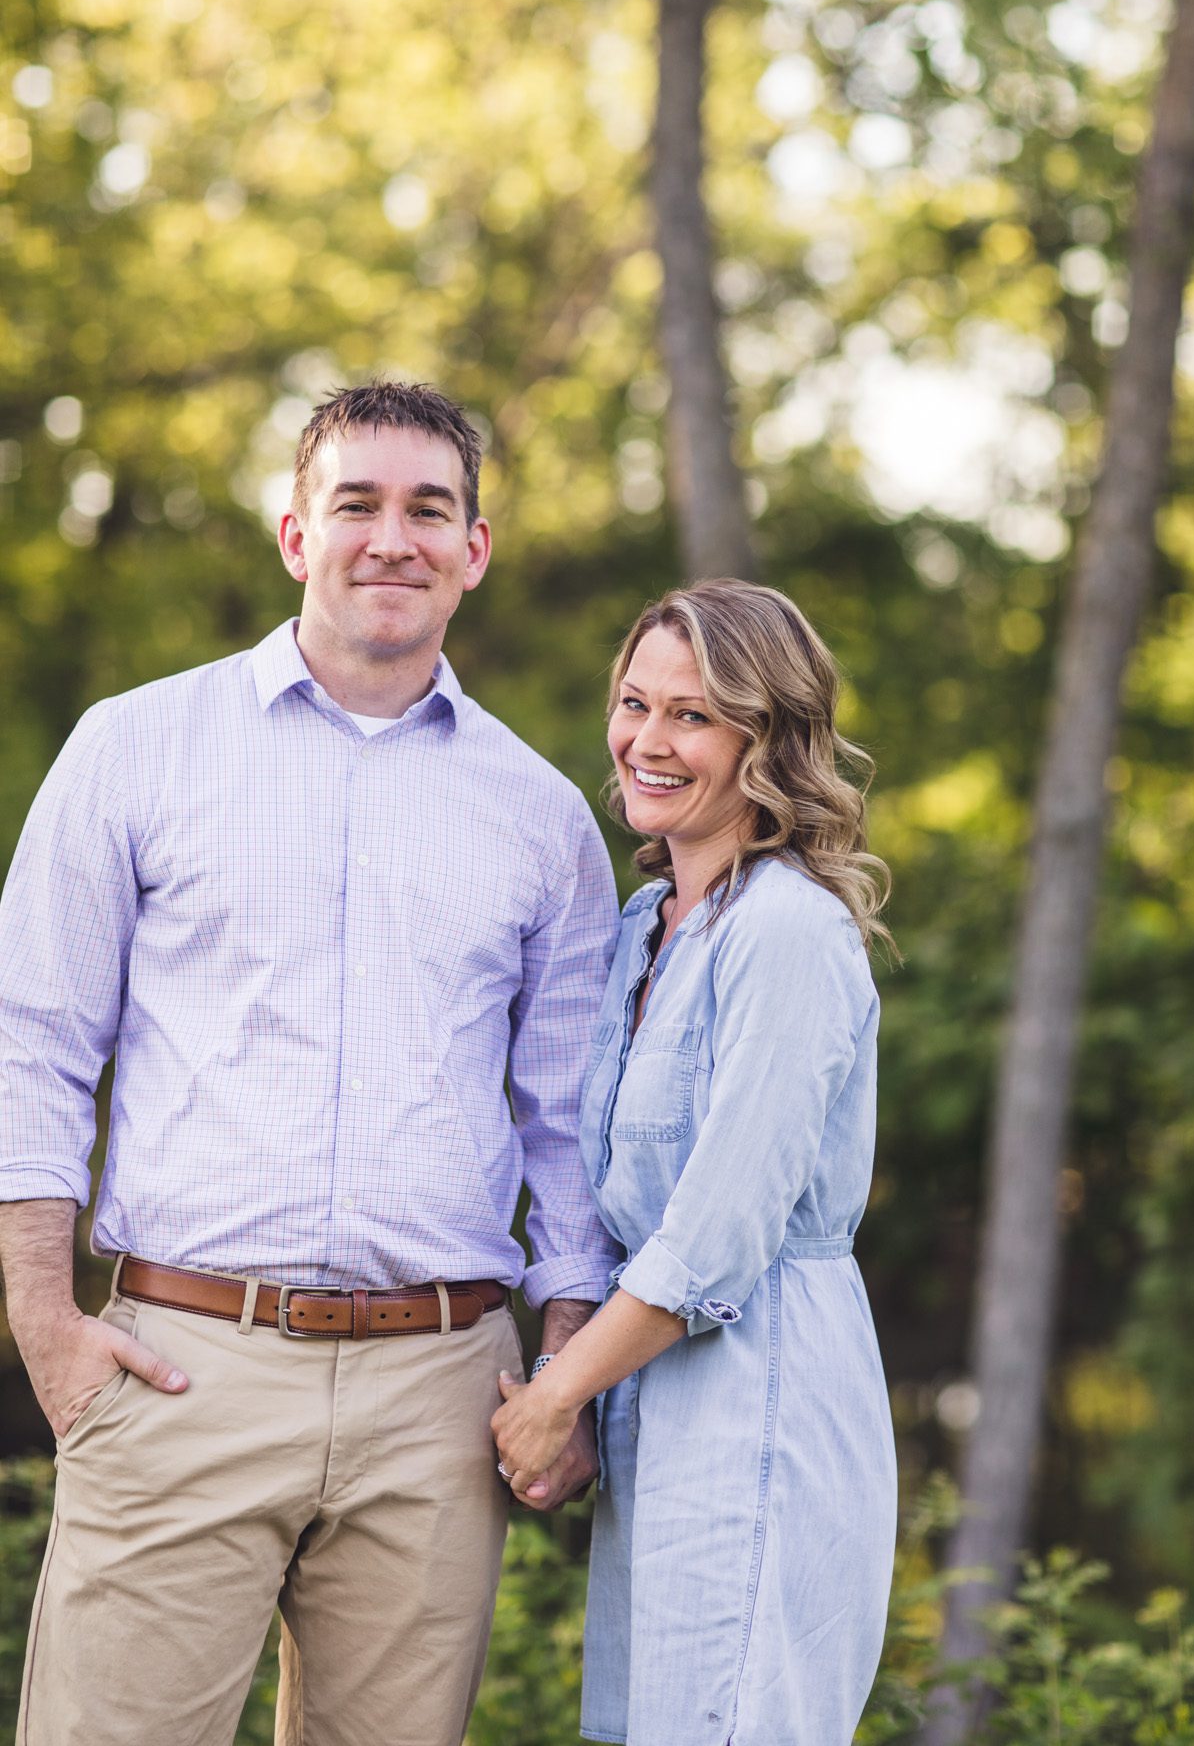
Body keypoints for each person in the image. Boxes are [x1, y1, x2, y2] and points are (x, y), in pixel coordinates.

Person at [0, 381, 620, 1746]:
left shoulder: (541, 817)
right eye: (357, 504)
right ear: (295, 534)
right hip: (182, 1367)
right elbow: (33, 1045)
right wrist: (47, 1333)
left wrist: (564, 1366)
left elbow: (571, 1123)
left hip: (439, 1395)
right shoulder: (135, 750)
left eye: (428, 509)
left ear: (474, 548)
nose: (390, 538)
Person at [491, 578, 898, 1746]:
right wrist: (577, 1388)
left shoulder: (787, 931)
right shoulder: (643, 926)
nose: (649, 742)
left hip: (764, 1390)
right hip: (658, 1411)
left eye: (696, 715)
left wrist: (555, 1392)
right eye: (635, 703)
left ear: (766, 741)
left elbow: (715, 1236)